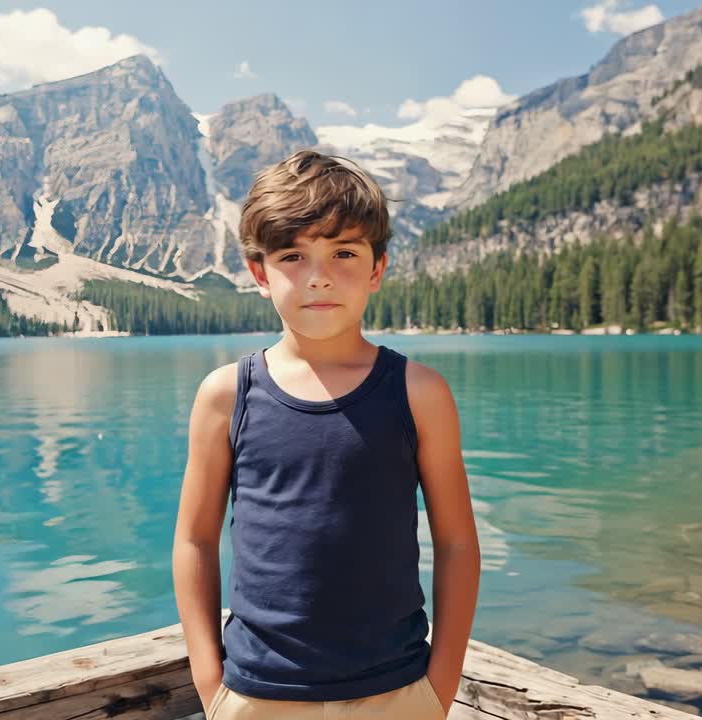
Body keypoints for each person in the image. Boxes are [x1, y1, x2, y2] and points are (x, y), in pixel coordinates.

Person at [172, 150, 481, 719]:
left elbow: (458, 542)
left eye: (344, 253)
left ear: (377, 269)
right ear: (260, 273)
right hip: (255, 697)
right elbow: (194, 540)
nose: (319, 276)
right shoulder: (225, 395)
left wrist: (440, 686)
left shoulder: (420, 393)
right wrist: (210, 682)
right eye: (293, 256)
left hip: (399, 692)